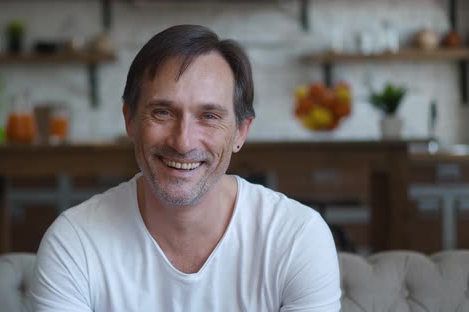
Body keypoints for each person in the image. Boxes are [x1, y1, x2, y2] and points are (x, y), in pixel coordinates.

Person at [30, 24, 341, 311]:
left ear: (241, 132)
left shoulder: (297, 238)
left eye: (209, 116)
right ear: (130, 120)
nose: (183, 142)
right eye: (163, 112)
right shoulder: (74, 242)